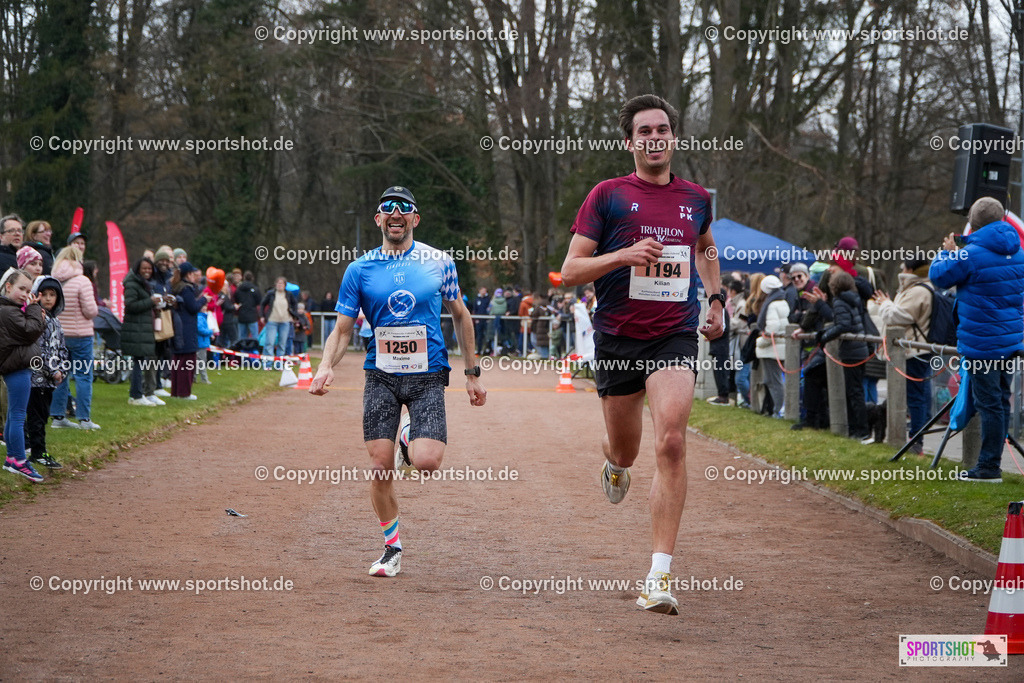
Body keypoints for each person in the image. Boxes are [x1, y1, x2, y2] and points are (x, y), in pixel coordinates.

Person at [560, 94, 723, 615]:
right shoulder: (607, 196)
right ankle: (613, 462)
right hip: (616, 339)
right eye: (644, 132)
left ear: (673, 137)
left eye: (662, 130)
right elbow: (570, 271)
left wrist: (716, 297)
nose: (654, 138)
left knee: (671, 441)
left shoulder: (696, 197)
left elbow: (705, 248)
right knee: (627, 451)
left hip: (673, 334)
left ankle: (658, 576)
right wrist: (624, 255)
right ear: (630, 142)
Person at [310, 185, 486, 578]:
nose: (395, 213)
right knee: (379, 467)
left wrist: (472, 374)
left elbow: (461, 315)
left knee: (426, 462)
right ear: (378, 219)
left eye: (403, 208)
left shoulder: (439, 262)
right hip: (380, 376)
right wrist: (325, 365)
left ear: (414, 218)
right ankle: (392, 549)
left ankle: (409, 440)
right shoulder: (359, 269)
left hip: (428, 374)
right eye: (386, 207)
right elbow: (342, 331)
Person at [931, 197, 1024, 482]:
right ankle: (990, 463)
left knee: (989, 404)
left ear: (973, 222)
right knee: (1000, 400)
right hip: (1010, 344)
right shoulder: (1019, 252)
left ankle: (988, 467)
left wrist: (947, 253)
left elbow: (938, 277)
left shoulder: (968, 254)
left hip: (982, 345)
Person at [874, 259, 933, 453]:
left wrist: (885, 304)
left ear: (910, 269)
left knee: (916, 398)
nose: (900, 270)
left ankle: (916, 442)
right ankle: (914, 439)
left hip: (914, 352)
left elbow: (897, 316)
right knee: (916, 397)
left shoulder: (918, 290)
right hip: (912, 351)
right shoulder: (915, 288)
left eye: (903, 267)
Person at [0, 268, 46, 482]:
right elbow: (31, 330)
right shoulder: (8, 311)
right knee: (18, 416)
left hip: (16, 366)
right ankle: (19, 460)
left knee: (13, 415)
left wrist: (32, 311)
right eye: (21, 288)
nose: (25, 294)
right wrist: (35, 309)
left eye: (28, 290)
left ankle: (11, 458)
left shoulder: (10, 309)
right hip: (16, 367)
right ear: (8, 287)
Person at [815, 270, 870, 440]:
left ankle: (860, 430)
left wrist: (825, 336)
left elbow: (844, 324)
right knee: (856, 391)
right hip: (861, 349)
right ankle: (857, 429)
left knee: (854, 393)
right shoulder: (854, 299)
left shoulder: (839, 301)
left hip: (851, 352)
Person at [50, 246, 100, 430]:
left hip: (60, 335)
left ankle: (57, 416)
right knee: (84, 376)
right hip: (81, 335)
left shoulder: (53, 280)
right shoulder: (82, 281)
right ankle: (84, 418)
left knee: (60, 376)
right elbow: (90, 310)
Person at [27, 275, 68, 468]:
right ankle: (37, 452)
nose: (49, 298)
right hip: (37, 379)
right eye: (45, 294)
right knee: (36, 417)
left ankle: (38, 450)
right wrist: (52, 371)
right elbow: (39, 350)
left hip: (50, 380)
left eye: (53, 295)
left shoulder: (56, 322)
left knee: (43, 415)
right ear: (37, 295)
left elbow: (61, 349)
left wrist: (62, 370)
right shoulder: (38, 319)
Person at [122, 258, 165, 406]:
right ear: (138, 269)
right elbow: (131, 305)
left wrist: (154, 305)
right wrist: (151, 301)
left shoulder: (144, 284)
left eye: (149, 269)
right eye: (144, 268)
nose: (147, 271)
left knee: (141, 361)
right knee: (138, 362)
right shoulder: (132, 284)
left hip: (143, 328)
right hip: (136, 328)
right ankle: (136, 395)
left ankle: (140, 393)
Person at [170, 262, 207, 399]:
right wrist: (204, 300)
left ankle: (176, 391)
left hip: (178, 327)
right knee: (188, 361)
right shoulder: (187, 289)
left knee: (178, 361)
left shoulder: (177, 287)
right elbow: (193, 307)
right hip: (187, 328)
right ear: (188, 274)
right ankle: (185, 393)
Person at [753, 275, 789, 417]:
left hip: (772, 349)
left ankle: (779, 410)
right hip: (778, 347)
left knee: (774, 381)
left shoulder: (772, 304)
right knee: (775, 380)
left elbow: (772, 329)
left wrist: (760, 342)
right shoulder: (782, 301)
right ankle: (780, 409)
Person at [260, 276, 297, 364]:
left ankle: (279, 364)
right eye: (278, 283)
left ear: (285, 285)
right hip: (272, 321)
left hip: (285, 322)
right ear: (275, 284)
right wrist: (262, 316)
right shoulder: (271, 294)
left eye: (282, 283)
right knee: (270, 343)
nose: (280, 285)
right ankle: (268, 364)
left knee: (282, 344)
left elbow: (295, 304)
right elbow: (262, 304)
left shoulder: (289, 294)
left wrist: (294, 316)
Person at [726, 279, 750, 407]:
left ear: (733, 291)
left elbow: (738, 323)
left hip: (743, 344)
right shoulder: (739, 303)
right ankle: (747, 401)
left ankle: (749, 400)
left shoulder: (742, 304)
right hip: (740, 344)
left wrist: (725, 324)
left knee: (741, 378)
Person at [235, 271, 261, 341]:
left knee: (241, 337)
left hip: (241, 315)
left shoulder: (238, 289)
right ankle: (253, 350)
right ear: (252, 278)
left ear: (243, 278)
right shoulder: (255, 289)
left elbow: (236, 300)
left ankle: (241, 350)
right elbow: (258, 301)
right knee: (254, 336)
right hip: (252, 316)